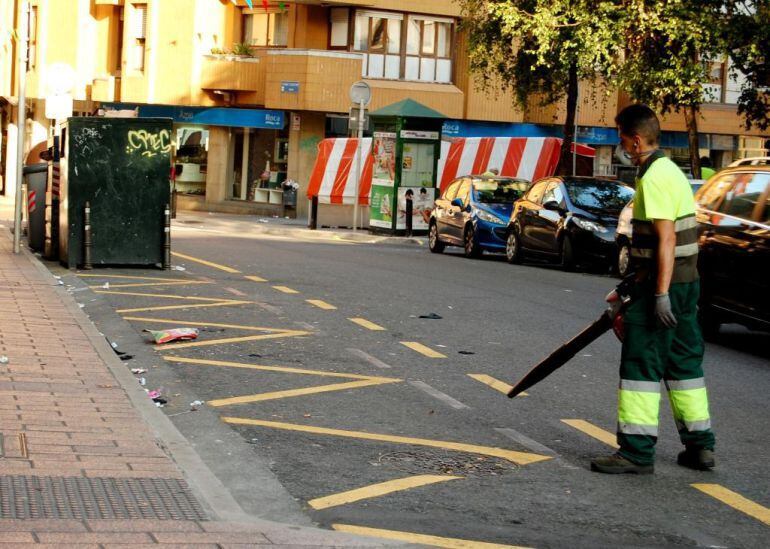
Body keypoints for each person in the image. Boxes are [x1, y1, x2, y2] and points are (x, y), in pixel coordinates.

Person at [591, 104, 715, 475]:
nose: (621, 146)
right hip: (686, 284)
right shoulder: (671, 172)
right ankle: (700, 447)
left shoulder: (656, 176)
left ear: (636, 139)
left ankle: (636, 452)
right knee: (683, 364)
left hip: (665, 288)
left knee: (641, 365)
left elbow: (665, 239)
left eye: (621, 138)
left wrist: (658, 294)